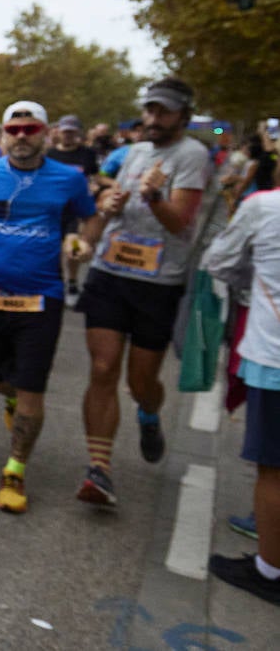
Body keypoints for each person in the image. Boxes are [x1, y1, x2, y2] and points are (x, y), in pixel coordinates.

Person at [0, 101, 100, 513]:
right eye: (14, 129)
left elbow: (91, 218)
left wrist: (82, 243)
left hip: (43, 298)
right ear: (4, 134)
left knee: (32, 389)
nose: (21, 136)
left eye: (30, 129)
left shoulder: (69, 179)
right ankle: (13, 401)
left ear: (45, 132)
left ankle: (15, 469)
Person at [73, 77, 212, 507]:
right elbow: (109, 198)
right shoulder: (133, 151)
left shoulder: (192, 155)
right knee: (102, 367)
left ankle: (149, 415)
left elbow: (180, 222)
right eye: (150, 109)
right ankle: (100, 469)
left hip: (158, 282)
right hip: (110, 272)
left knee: (140, 380)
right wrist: (107, 205)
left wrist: (153, 198)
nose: (153, 118)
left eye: (163, 111)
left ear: (183, 115)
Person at [202, 184, 280, 605]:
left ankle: (270, 571)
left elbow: (220, 261)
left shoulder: (264, 206)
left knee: (273, 467)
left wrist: (255, 282)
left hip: (274, 356)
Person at [46, 114, 102, 298]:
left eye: (71, 132)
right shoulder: (50, 154)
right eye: (65, 132)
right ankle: (56, 281)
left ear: (77, 132)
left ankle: (72, 282)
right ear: (59, 132)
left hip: (76, 209)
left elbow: (96, 176)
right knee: (52, 248)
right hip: (54, 208)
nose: (68, 135)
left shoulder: (87, 153)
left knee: (74, 248)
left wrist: (96, 186)